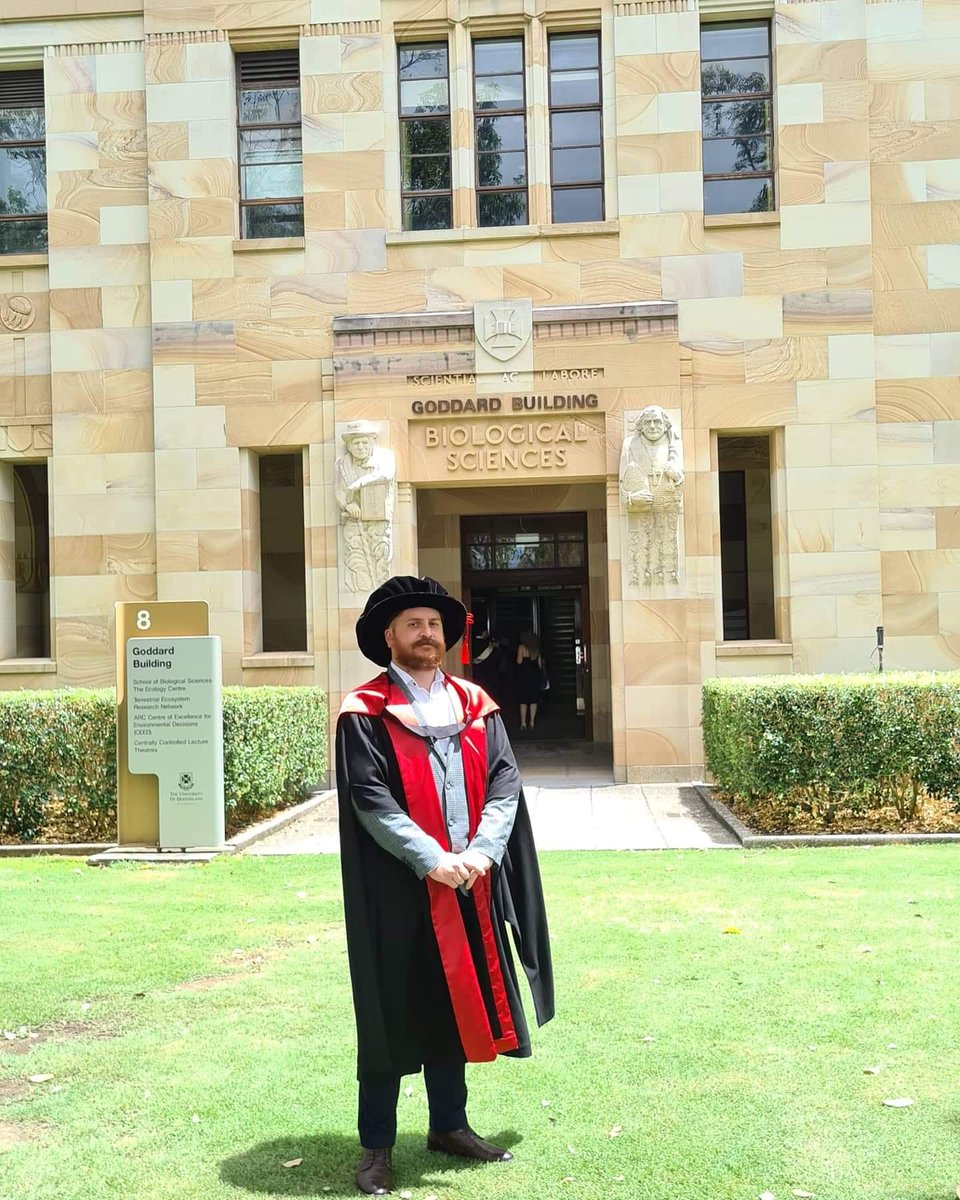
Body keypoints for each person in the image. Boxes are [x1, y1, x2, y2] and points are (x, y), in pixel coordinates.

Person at [336, 575, 554, 1196]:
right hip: (400, 888)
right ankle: (377, 1144)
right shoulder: (366, 711)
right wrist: (430, 857)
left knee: (453, 1002)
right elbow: (369, 798)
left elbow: (505, 781)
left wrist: (483, 852)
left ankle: (449, 1126)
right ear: (389, 637)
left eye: (433, 624)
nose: (425, 633)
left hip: (468, 884)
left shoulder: (475, 704)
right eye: (412, 625)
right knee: (388, 1009)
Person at [515, 630, 544, 733]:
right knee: (533, 700)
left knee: (523, 700)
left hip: (524, 677)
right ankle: (532, 722)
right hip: (534, 677)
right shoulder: (536, 649)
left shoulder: (522, 648)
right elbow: (540, 665)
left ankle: (523, 723)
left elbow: (519, 661)